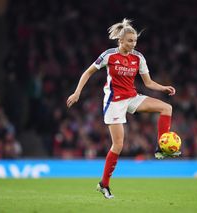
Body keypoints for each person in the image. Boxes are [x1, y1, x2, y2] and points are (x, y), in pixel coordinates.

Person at [66, 18, 180, 199]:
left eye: (135, 41)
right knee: (118, 145)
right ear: (120, 40)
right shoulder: (109, 55)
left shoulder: (138, 57)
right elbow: (88, 72)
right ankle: (104, 184)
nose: (133, 44)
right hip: (114, 103)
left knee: (166, 108)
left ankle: (161, 147)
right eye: (130, 41)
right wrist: (77, 92)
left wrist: (163, 88)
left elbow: (148, 82)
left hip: (132, 98)